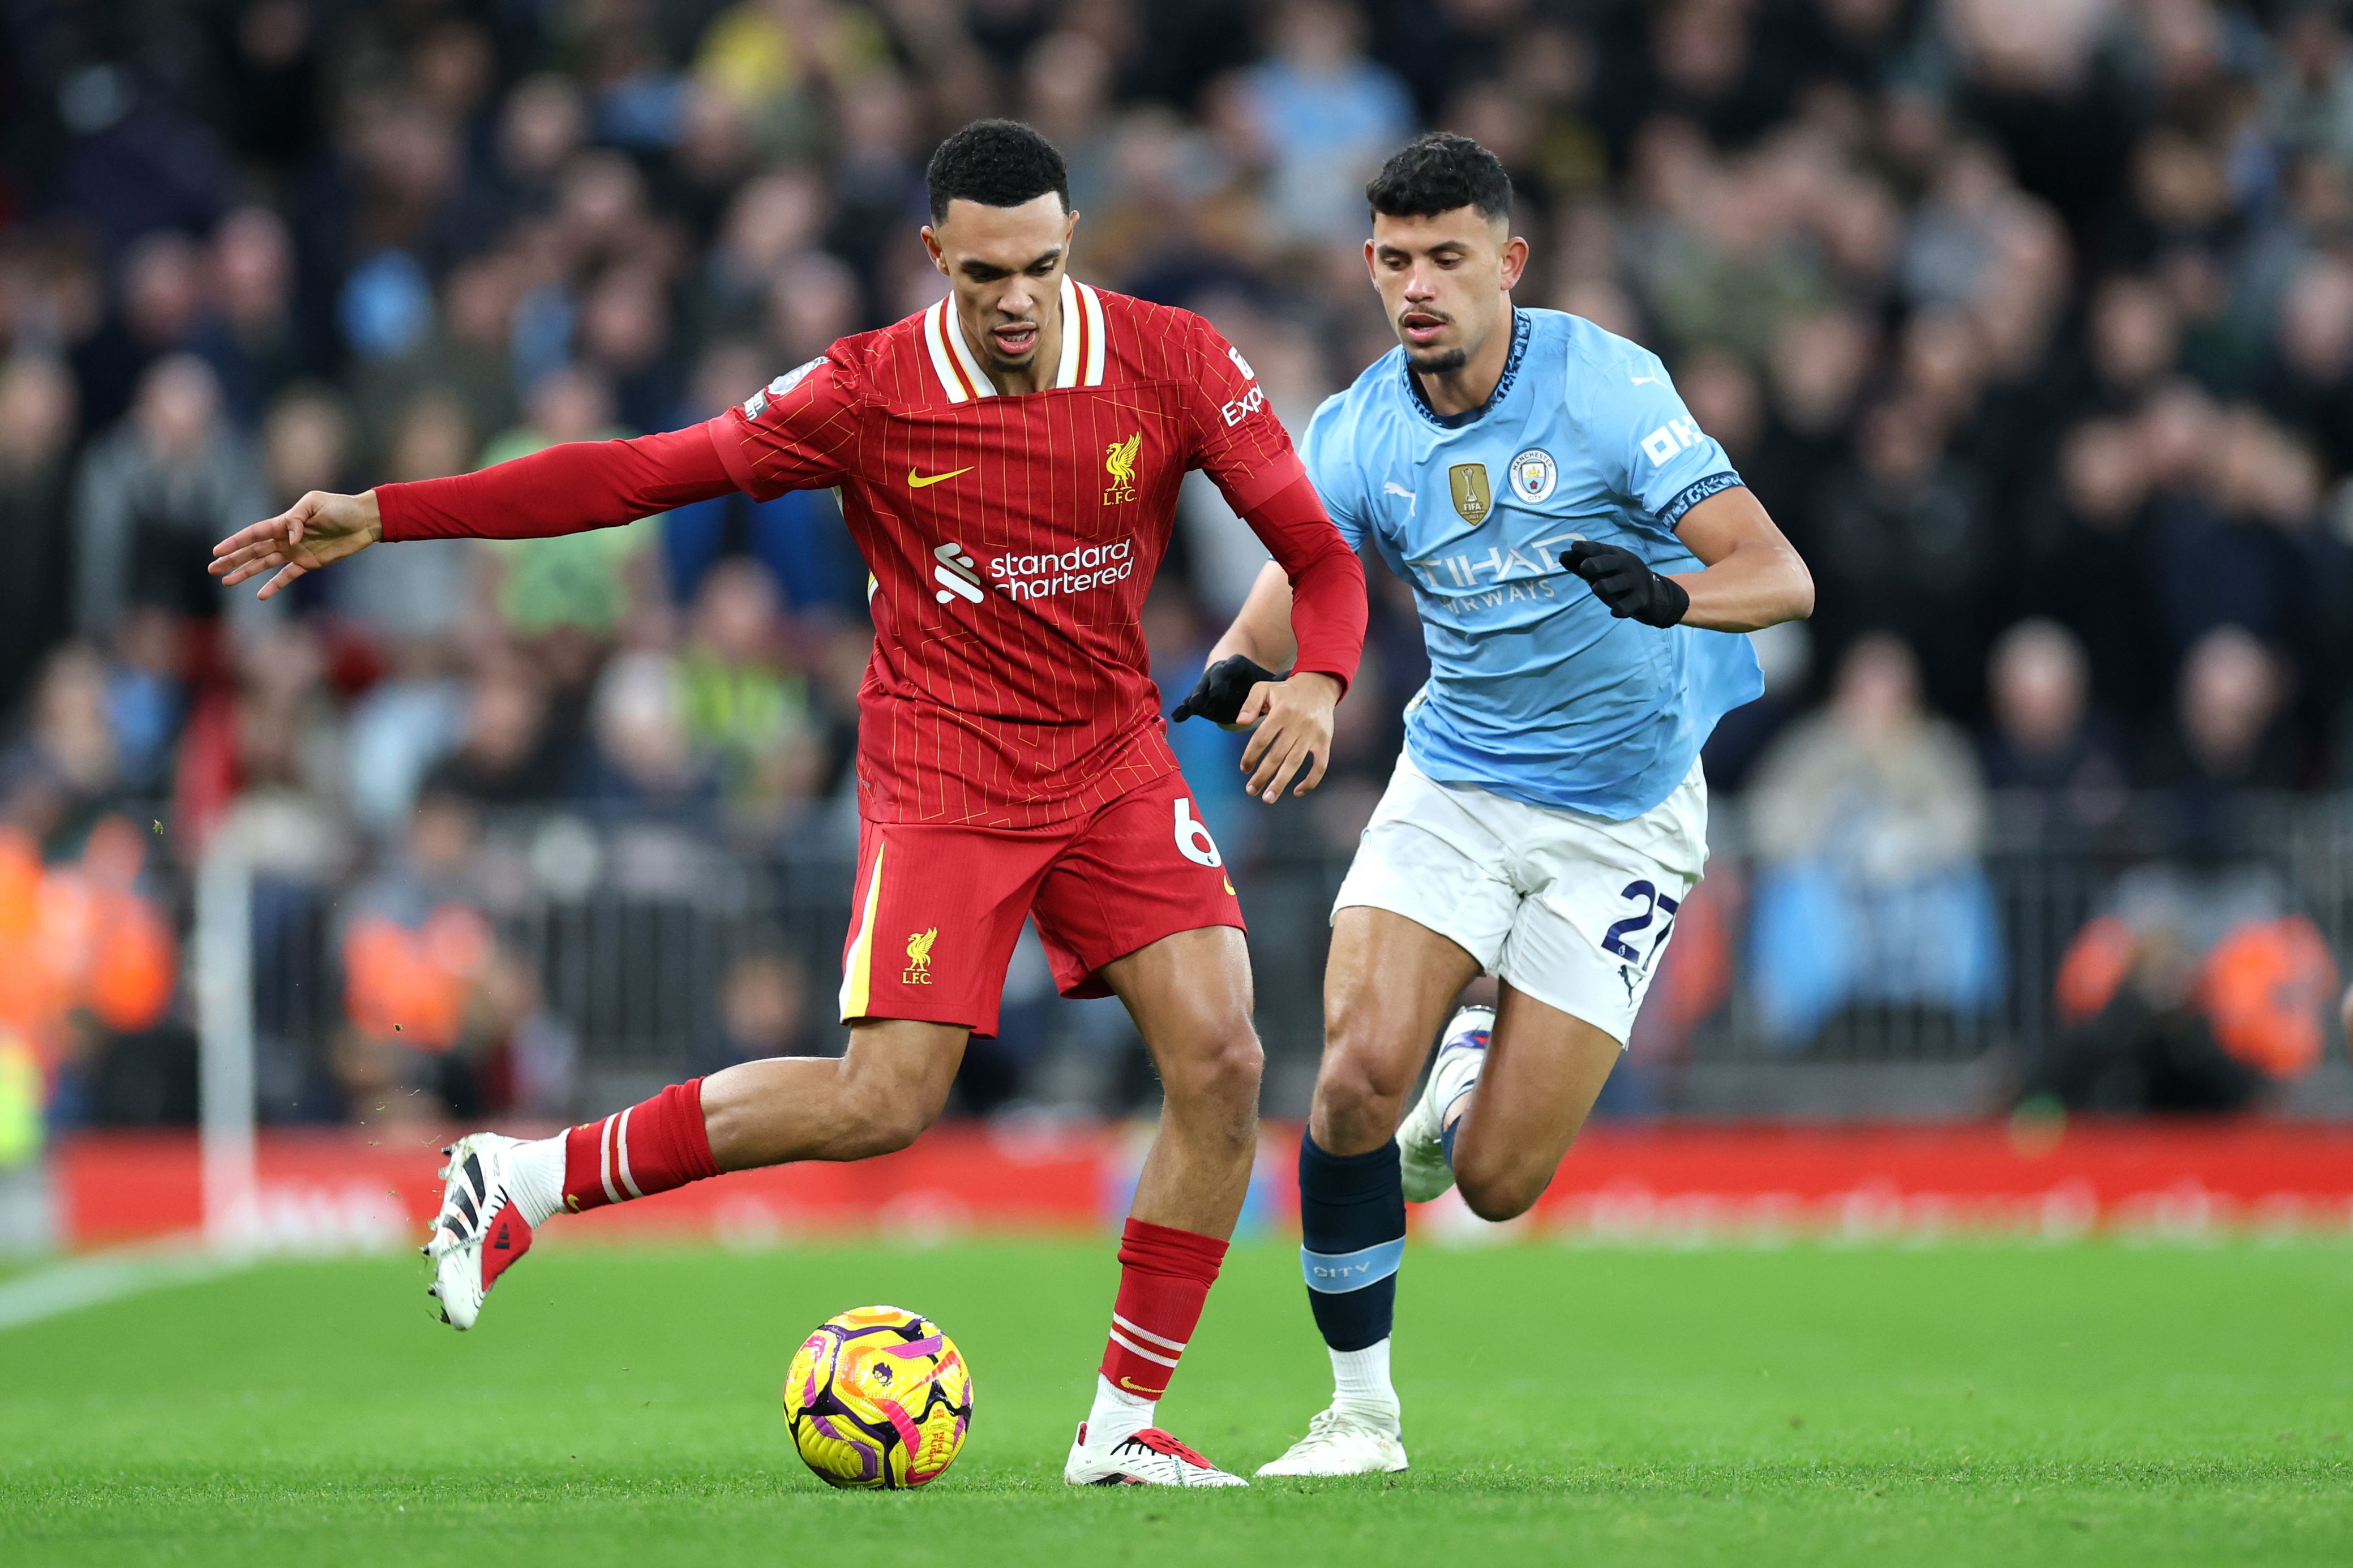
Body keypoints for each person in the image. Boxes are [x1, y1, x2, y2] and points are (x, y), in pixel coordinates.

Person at [210, 119, 1368, 1488]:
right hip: (946, 769)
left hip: (1110, 756)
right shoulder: (867, 390)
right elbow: (640, 473)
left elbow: (1318, 555)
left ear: (1074, 250)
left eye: (1042, 268)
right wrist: (390, 513)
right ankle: (521, 1179)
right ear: (935, 253)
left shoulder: (1173, 356)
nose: (1014, 300)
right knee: (885, 1104)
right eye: (985, 272)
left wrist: (1325, 684)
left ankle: (1121, 1427)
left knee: (1226, 1060)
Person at [1179, 134, 1811, 1475]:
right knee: (1348, 1078)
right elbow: (1301, 574)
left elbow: (1781, 573)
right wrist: (1244, 669)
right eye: (1396, 259)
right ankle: (1360, 1417)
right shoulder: (1357, 428)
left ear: (1508, 265)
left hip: (1627, 811)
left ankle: (1468, 1074)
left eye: (1449, 257)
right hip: (1456, 781)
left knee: (1497, 1184)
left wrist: (1669, 594)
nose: (1421, 285)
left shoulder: (1606, 388)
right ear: (1369, 266)